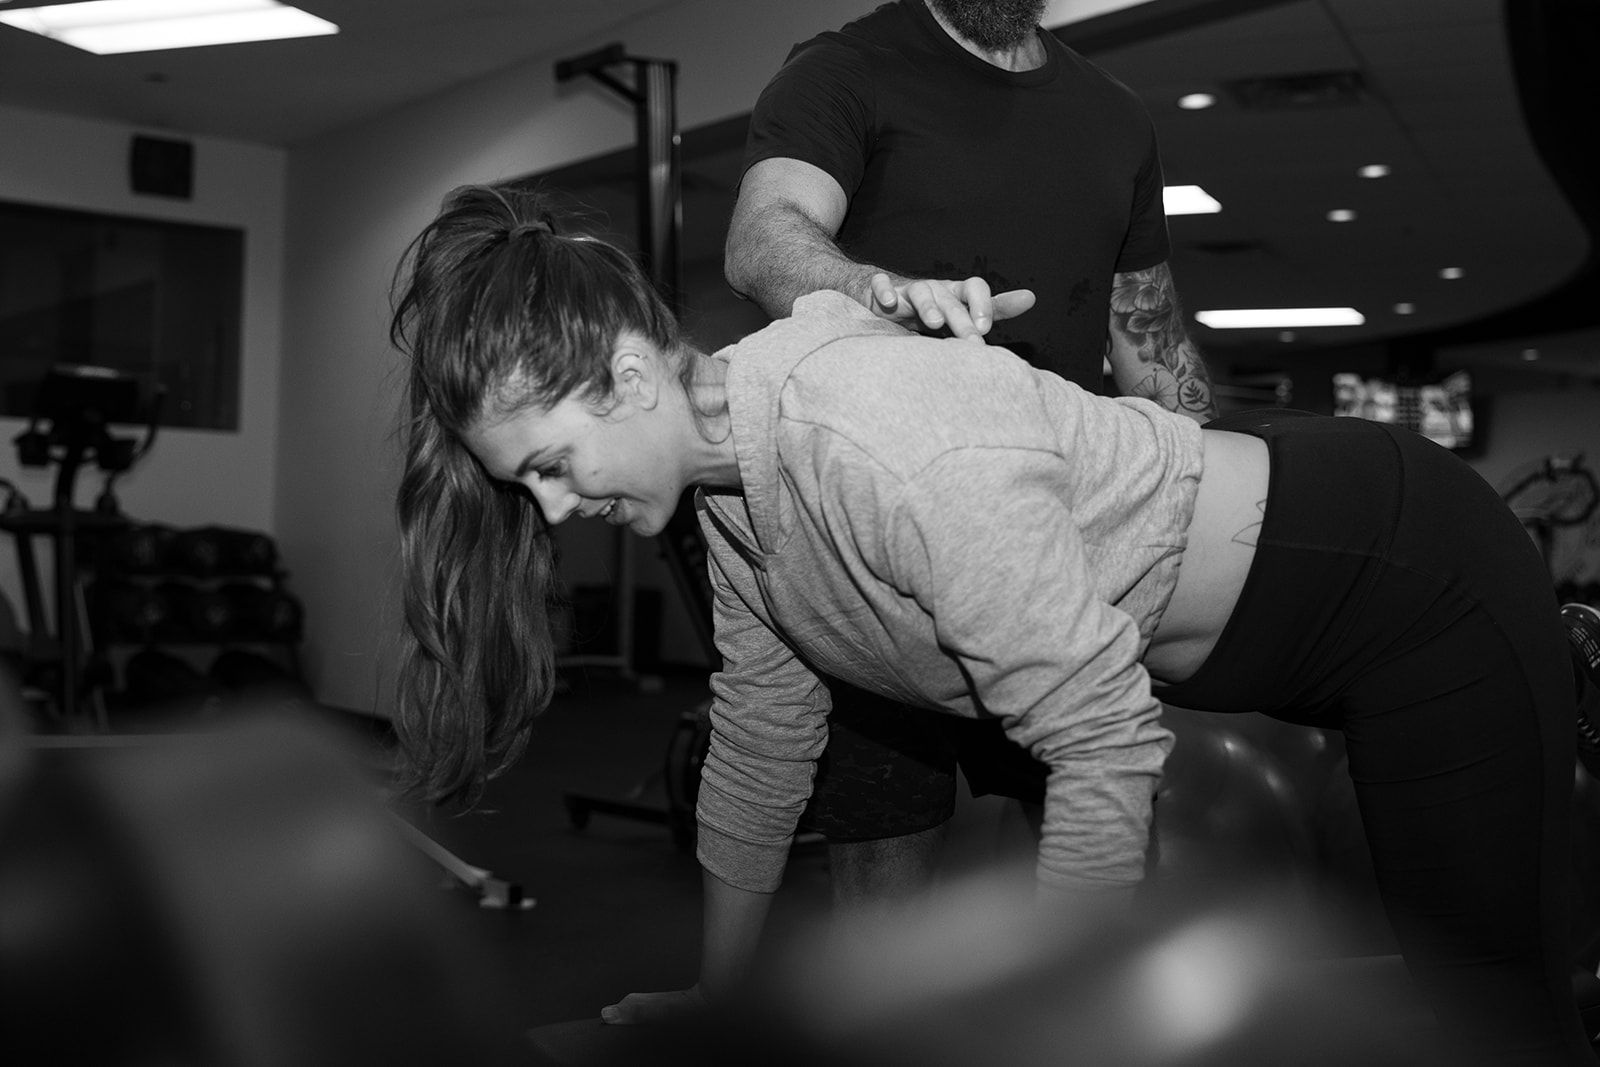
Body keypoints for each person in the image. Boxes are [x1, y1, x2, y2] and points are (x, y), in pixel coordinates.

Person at [390, 183, 1596, 1065]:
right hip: (1268, 630)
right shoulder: (733, 503)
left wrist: (1054, 1020)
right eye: (523, 486)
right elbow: (762, 747)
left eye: (550, 463)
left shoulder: (875, 444)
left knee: (1487, 1004)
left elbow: (1105, 743)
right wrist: (721, 991)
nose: (554, 507)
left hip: (1405, 579)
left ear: (635, 378)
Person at [721, 0, 1219, 909]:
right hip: (879, 538)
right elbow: (764, 239)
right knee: (886, 883)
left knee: (1103, 842)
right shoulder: (844, 67)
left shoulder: (1116, 115)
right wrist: (884, 294)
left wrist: (1208, 480)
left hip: (1056, 542)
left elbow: (1147, 332)